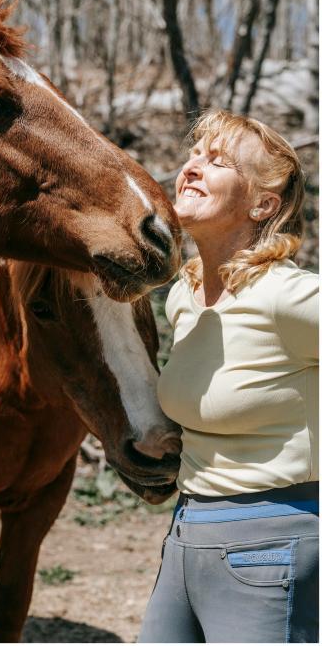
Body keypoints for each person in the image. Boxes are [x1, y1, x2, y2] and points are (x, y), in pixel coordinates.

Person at [138, 110, 318, 643]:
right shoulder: (184, 296)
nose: (192, 168)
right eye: (193, 155)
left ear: (262, 204)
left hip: (273, 545)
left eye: (216, 161)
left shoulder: (290, 296)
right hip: (186, 533)